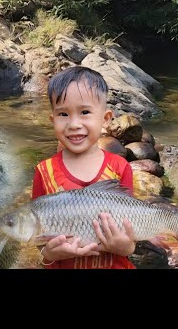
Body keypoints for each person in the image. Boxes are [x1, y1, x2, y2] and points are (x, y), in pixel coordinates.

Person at [32, 65, 136, 269]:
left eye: (85, 112)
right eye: (63, 115)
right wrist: (50, 253)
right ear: (53, 120)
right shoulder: (44, 172)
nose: (74, 124)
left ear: (105, 119)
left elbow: (130, 235)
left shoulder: (119, 166)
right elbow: (39, 240)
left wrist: (125, 248)